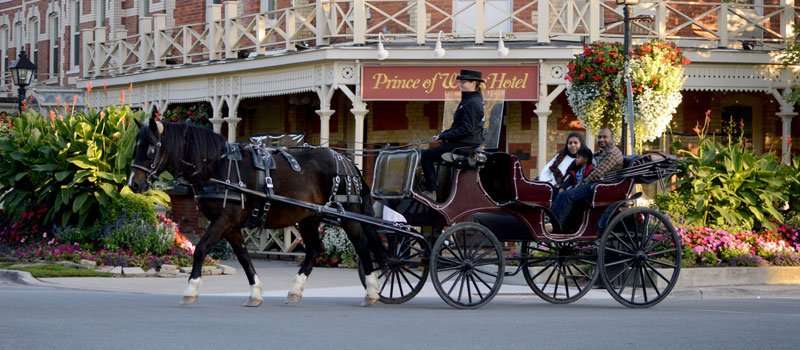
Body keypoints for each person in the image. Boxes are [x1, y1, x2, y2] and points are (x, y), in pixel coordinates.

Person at [420, 69, 485, 197]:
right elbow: (458, 126)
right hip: (463, 142)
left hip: (465, 145)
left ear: (474, 83)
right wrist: (442, 135)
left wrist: (444, 136)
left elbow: (467, 128)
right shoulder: (468, 100)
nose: (460, 84)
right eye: (460, 81)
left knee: (426, 155)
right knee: (433, 150)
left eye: (464, 82)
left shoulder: (472, 103)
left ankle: (431, 190)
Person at [551, 128, 623, 229]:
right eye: (599, 137)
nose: (601, 139)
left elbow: (597, 174)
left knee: (567, 195)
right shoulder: (602, 153)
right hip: (596, 185)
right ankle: (554, 221)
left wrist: (580, 184)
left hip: (602, 188)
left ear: (612, 139)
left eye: (605, 137)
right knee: (560, 192)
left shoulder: (613, 154)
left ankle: (555, 225)